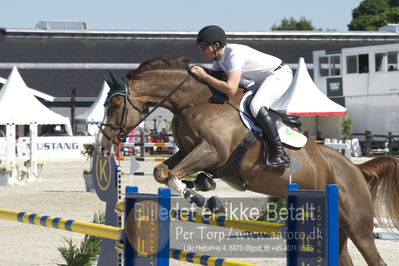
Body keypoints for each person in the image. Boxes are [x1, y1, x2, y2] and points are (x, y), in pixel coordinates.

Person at [190, 25, 292, 168]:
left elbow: (230, 89)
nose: (201, 51)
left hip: (278, 74)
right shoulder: (218, 61)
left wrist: (204, 76)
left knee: (256, 105)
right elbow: (217, 80)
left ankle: (279, 153)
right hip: (258, 80)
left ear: (216, 45)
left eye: (204, 46)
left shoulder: (233, 55)